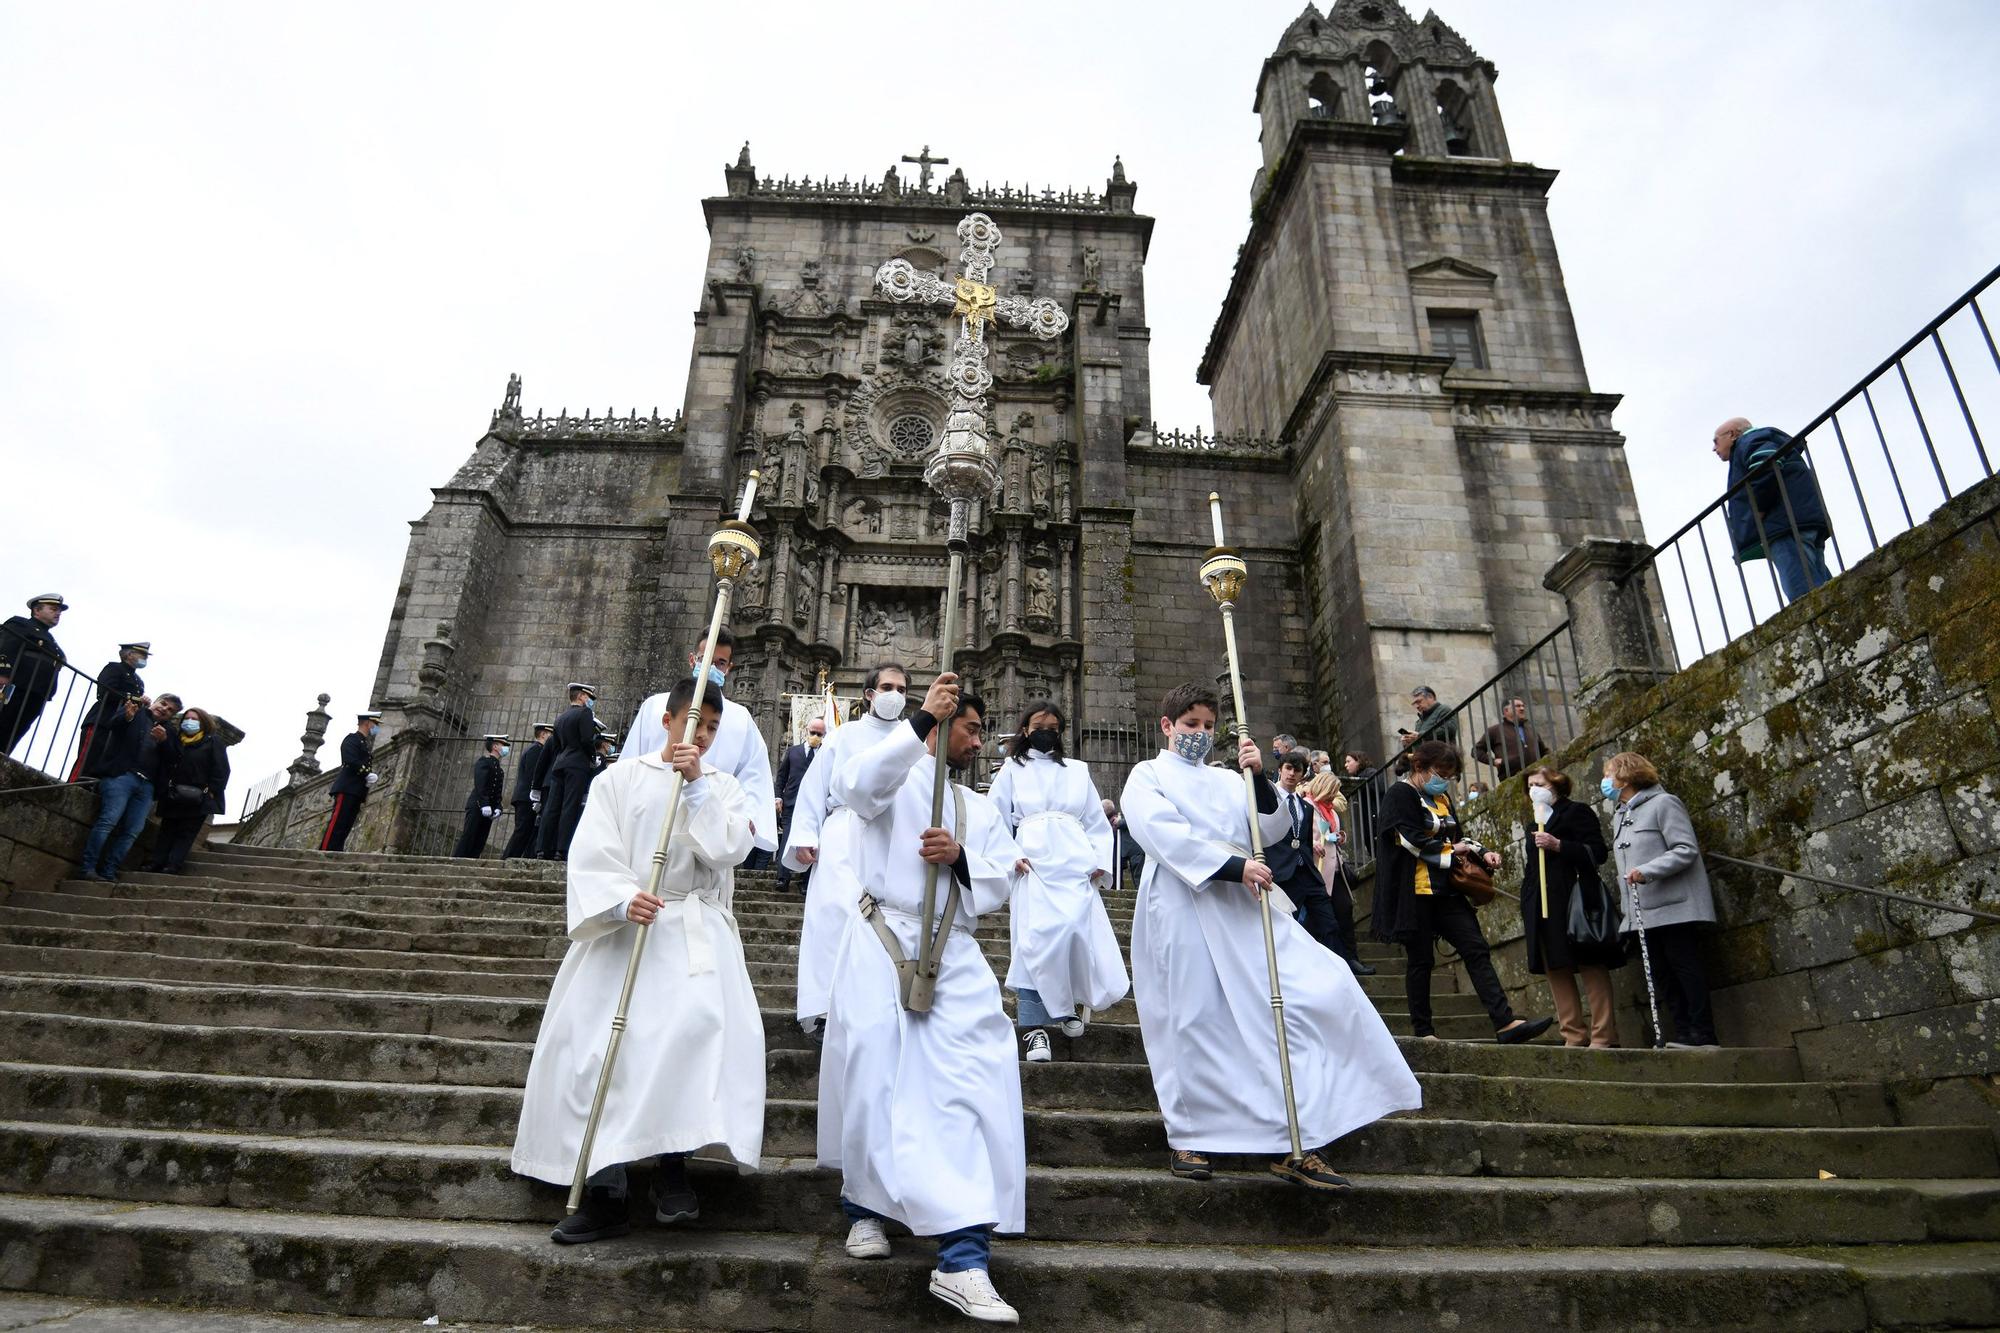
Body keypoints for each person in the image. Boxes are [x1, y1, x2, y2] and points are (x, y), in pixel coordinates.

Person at [1122, 682, 1420, 1190]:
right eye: (1190, 724)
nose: (1200, 734)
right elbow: (1157, 830)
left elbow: (1275, 826)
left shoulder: (1225, 778)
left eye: (1208, 726)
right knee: (1192, 1016)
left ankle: (1299, 1134)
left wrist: (1258, 777)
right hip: (1183, 899)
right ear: (1167, 726)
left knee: (1318, 987)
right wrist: (1230, 865)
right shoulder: (1146, 774)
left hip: (1243, 903)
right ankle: (1190, 1133)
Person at [511, 676, 762, 1242]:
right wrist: (623, 899)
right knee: (597, 1044)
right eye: (696, 723)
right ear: (670, 720)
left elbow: (730, 849)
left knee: (688, 1034)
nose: (703, 736)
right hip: (627, 929)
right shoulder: (619, 780)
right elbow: (592, 854)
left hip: (691, 929)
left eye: (714, 729)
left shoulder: (722, 787)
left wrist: (696, 788)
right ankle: (605, 1185)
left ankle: (673, 1168)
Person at [817, 673, 1024, 1324]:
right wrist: (915, 725)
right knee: (877, 1075)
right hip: (886, 936)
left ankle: (964, 1257)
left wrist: (960, 857)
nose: (979, 739)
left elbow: (1000, 881)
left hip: (953, 947)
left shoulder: (980, 806)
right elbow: (852, 788)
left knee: (975, 1079)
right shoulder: (897, 774)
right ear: (940, 725)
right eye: (969, 726)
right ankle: (867, 1211)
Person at [1374, 740, 1552, 1045]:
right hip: (1415, 892)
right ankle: (1423, 1030)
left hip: (1447, 889)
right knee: (1421, 961)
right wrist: (1451, 850)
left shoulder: (1441, 797)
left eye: (1449, 774)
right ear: (1420, 767)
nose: (1444, 779)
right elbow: (1408, 838)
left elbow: (1458, 836)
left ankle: (1504, 1022)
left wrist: (1482, 852)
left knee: (1476, 948)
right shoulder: (1399, 795)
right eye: (1440, 772)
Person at [987, 699, 1128, 1060]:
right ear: (1025, 730)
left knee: (1073, 936)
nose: (1045, 732)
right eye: (1039, 726)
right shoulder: (1011, 771)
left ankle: (1065, 1006)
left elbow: (1097, 821)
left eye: (1053, 727)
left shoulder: (1077, 771)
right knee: (1035, 942)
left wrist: (1100, 861)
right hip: (1033, 861)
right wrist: (1008, 854)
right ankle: (1034, 1029)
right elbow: (995, 818)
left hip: (1074, 861)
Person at [783, 661, 911, 1040]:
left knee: (886, 922)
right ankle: (825, 1007)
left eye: (902, 689)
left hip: (895, 835)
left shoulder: (913, 738)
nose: (895, 695)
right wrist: (806, 834)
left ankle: (880, 1004)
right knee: (834, 913)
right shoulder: (844, 735)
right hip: (844, 832)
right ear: (870, 695)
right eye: (887, 687)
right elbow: (815, 785)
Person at [626, 628, 777, 863]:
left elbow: (754, 777)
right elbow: (630, 765)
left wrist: (746, 819)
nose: (711, 667)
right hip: (650, 821)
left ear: (729, 668)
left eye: (720, 662)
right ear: (692, 659)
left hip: (709, 831)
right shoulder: (655, 707)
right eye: (704, 658)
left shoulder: (740, 719)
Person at [1605, 751, 1719, 1048]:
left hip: (1674, 905)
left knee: (1685, 968)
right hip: (1644, 911)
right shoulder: (1620, 814)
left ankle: (1703, 1034)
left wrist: (1647, 871)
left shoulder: (1664, 803)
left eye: (1609, 774)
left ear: (1626, 775)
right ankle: (1682, 1033)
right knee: (1661, 974)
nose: (1605, 781)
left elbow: (1684, 849)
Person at [1519, 766, 1620, 1048]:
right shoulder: (1533, 823)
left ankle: (1604, 1035)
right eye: (1529, 786)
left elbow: (1597, 852)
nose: (1533, 790)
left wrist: (1559, 845)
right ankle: (1573, 1034)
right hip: (1542, 904)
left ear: (1556, 785)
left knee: (1589, 964)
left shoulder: (1576, 812)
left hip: (1574, 900)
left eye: (1538, 783)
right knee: (1556, 967)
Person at [1715, 416, 1833, 603]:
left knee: (1802, 591)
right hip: (1801, 519)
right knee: (1819, 582)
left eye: (1716, 441)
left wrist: (1758, 509)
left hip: (1784, 525)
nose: (1714, 448)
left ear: (1732, 434)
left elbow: (1766, 467)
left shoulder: (1750, 440)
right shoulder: (1762, 440)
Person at [76, 692, 180, 881]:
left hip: (147, 785)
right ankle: (87, 868)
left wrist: (164, 742)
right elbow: (112, 725)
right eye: (163, 704)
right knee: (108, 821)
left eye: (170, 710)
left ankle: (109, 870)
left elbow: (174, 759)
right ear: (155, 702)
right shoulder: (136, 712)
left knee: (133, 830)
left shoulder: (170, 733)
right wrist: (128, 716)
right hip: (122, 776)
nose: (164, 709)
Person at [1267, 751, 1351, 964]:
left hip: (1307, 871)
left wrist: (1311, 845)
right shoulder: (1269, 798)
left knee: (1329, 923)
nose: (1292, 774)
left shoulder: (1304, 805)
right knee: (1286, 925)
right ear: (1280, 770)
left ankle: (1338, 969)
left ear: (1303, 774)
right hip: (1283, 872)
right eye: (1288, 768)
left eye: (1297, 770)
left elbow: (1303, 838)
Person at [1303, 769, 1373, 976]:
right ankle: (1325, 960)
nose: (1335, 796)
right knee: (1320, 918)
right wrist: (1314, 843)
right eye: (1333, 791)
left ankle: (1351, 959)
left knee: (1345, 910)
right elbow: (1301, 834)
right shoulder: (1307, 805)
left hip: (1336, 869)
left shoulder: (1331, 811)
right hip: (1317, 869)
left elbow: (1330, 834)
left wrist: (1339, 836)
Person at [144, 706, 229, 874]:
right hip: (174, 793)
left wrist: (212, 790)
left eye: (195, 719)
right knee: (167, 829)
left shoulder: (212, 741)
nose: (190, 722)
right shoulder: (175, 740)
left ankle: (173, 864)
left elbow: (221, 769)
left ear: (203, 723)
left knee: (186, 832)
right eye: (187, 719)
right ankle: (156, 861)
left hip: (199, 795)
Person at [535, 683, 598, 861]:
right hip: (576, 765)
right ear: (580, 697)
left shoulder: (560, 718)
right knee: (569, 806)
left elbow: (556, 745)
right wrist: (592, 758)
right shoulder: (585, 713)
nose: (589, 701)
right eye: (588, 697)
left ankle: (542, 848)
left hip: (560, 764)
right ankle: (561, 849)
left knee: (552, 808)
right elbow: (586, 740)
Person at [69, 640, 148, 783]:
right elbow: (104, 691)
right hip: (102, 719)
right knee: (88, 757)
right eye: (142, 654)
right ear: (129, 654)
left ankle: (91, 785)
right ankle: (74, 785)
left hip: (120, 725)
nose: (145, 658)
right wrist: (133, 698)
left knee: (103, 759)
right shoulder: (114, 668)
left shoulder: (138, 680)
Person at [0, 594, 69, 755]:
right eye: (53, 609)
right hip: (17, 684)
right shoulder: (20, 624)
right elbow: (6, 646)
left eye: (59, 611)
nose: (58, 613)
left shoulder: (51, 640)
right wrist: (3, 672)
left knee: (18, 728)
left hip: (38, 691)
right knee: (4, 720)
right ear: (36, 610)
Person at [772, 717, 825, 892]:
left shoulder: (826, 754)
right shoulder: (793, 752)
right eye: (813, 733)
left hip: (814, 806)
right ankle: (782, 878)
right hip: (791, 803)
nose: (815, 736)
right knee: (787, 838)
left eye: (819, 734)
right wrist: (778, 797)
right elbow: (781, 776)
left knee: (812, 843)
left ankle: (805, 882)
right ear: (806, 732)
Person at [320, 712, 381, 853]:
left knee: (347, 823)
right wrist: (366, 774)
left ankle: (336, 850)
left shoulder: (363, 743)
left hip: (356, 790)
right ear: (367, 723)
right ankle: (325, 850)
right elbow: (350, 759)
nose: (376, 728)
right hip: (347, 787)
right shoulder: (352, 739)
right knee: (338, 821)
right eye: (375, 724)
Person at [501, 723, 553, 860]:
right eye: (550, 734)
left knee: (526, 832)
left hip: (527, 797)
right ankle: (508, 858)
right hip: (526, 797)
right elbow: (533, 775)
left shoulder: (536, 749)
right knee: (522, 831)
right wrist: (536, 796)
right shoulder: (536, 750)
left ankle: (514, 858)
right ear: (543, 734)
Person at [452, 735, 508, 859]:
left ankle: (471, 863)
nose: (505, 748)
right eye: (503, 745)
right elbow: (480, 785)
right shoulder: (484, 762)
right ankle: (457, 861)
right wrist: (484, 804)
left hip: (489, 809)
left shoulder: (499, 770)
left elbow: (497, 792)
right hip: (478, 806)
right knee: (469, 836)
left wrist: (498, 807)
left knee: (480, 839)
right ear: (495, 746)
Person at [1473, 697, 1549, 781]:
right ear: (1506, 711)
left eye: (1523, 706)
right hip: (1510, 778)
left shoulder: (1531, 731)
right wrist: (1493, 761)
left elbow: (1544, 751)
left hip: (1536, 776)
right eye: (1517, 706)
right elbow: (1476, 750)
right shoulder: (1495, 730)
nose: (1522, 708)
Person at [1396, 685, 1458, 757]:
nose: (1417, 706)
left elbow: (1449, 729)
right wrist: (1408, 744)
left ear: (1430, 697)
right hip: (1427, 759)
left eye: (1419, 701)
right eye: (1414, 704)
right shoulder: (1419, 722)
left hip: (1442, 756)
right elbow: (1419, 744)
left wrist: (1420, 736)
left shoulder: (1444, 709)